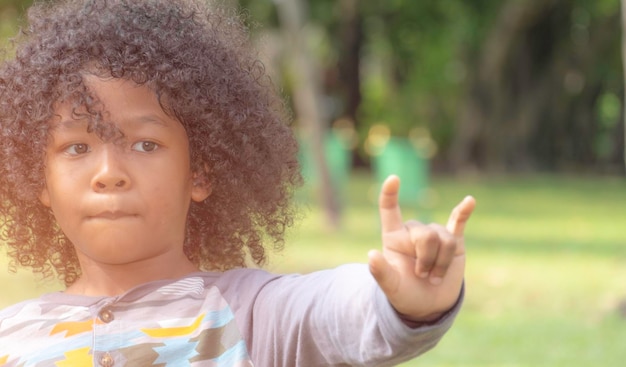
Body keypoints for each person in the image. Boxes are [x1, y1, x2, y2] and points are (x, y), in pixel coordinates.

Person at [0, 0, 476, 366]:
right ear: (38, 178)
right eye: (77, 148)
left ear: (201, 172)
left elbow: (332, 309)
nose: (108, 173)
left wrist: (402, 303)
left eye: (145, 144)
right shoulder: (12, 337)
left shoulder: (252, 314)